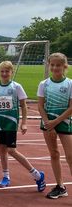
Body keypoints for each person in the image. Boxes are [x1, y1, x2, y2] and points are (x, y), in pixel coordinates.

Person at [0, 61, 46, 191]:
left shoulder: (16, 86)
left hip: (11, 123)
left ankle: (36, 174)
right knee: (2, 149)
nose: (4, 74)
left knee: (11, 150)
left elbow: (24, 106)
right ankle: (5, 176)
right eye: (2, 71)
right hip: (0, 123)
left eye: (7, 71)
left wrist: (24, 123)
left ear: (11, 72)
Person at [37, 52, 72, 199]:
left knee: (70, 156)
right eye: (52, 65)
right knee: (54, 154)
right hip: (48, 123)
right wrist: (48, 124)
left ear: (64, 66)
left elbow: (71, 107)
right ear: (49, 65)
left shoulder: (70, 83)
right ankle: (60, 186)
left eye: (58, 65)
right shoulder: (44, 84)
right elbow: (40, 106)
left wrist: (55, 122)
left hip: (64, 122)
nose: (55, 67)